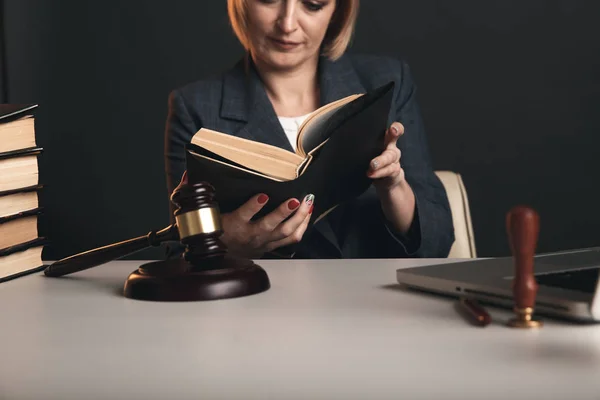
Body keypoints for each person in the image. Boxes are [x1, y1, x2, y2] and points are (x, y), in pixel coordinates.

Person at [164, 0, 454, 259]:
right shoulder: (196, 106)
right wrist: (226, 244)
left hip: (378, 305)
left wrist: (394, 187)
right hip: (262, 307)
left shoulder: (387, 82)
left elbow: (437, 242)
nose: (287, 24)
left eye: (313, 4)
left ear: (337, 12)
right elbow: (180, 253)